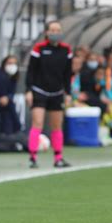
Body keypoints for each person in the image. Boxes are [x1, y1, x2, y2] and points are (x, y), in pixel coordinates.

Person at [25, 20, 72, 168]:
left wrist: (68, 93)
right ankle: (33, 158)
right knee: (37, 122)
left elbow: (67, 73)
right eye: (52, 30)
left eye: (58, 30)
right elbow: (30, 71)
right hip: (39, 91)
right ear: (47, 32)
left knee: (57, 126)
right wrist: (28, 91)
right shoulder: (39, 48)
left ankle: (58, 158)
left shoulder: (66, 50)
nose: (55, 33)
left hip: (57, 93)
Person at [0, 55, 21, 135]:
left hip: (7, 102)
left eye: (14, 64)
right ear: (4, 64)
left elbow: (11, 93)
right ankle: (8, 135)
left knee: (11, 112)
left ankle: (13, 133)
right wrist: (4, 98)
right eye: (9, 63)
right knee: (8, 113)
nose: (12, 66)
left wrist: (7, 98)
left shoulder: (14, 76)